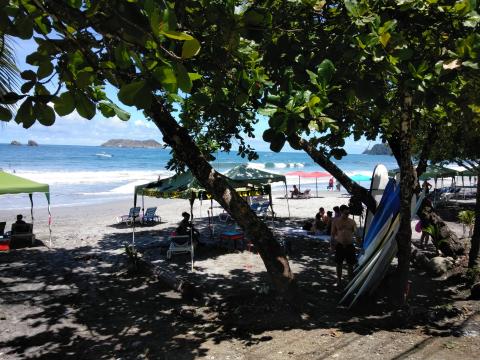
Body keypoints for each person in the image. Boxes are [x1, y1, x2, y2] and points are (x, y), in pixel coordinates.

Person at [331, 205, 358, 287]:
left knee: (350, 264)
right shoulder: (336, 221)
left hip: (350, 245)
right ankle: (339, 280)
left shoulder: (352, 222)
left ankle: (350, 281)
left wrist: (360, 244)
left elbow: (356, 234)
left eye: (348, 213)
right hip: (339, 245)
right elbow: (332, 234)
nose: (347, 215)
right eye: (345, 213)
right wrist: (332, 245)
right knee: (339, 264)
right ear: (341, 212)